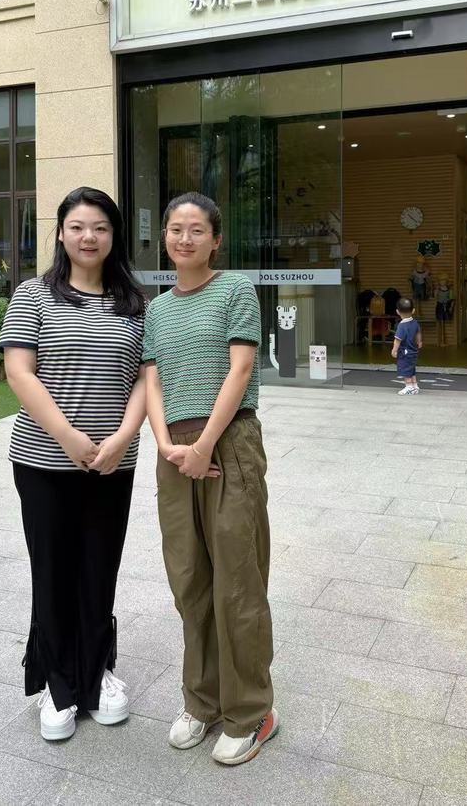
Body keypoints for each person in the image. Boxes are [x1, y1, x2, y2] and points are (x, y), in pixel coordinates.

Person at [0, 186, 146, 742]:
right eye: (78, 227)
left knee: (99, 569)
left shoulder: (134, 301)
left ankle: (97, 674)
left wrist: (123, 437)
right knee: (53, 569)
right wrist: (68, 437)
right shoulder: (34, 295)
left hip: (113, 464)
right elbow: (19, 371)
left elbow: (146, 379)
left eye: (101, 227)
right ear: (60, 233)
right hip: (43, 461)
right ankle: (58, 685)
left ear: (114, 236)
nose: (89, 237)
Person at [143, 191, 278, 766]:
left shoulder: (235, 290)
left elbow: (241, 367)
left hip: (228, 441)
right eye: (176, 229)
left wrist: (203, 447)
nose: (185, 238)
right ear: (165, 238)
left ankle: (251, 712)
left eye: (197, 230)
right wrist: (165, 443)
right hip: (174, 450)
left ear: (215, 240)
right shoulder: (156, 308)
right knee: (189, 578)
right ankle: (201, 702)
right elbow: (151, 379)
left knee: (236, 579)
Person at [392, 296, 422, 395]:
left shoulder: (401, 326)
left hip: (404, 351)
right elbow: (418, 333)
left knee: (405, 369)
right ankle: (415, 385)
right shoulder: (415, 322)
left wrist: (394, 350)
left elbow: (397, 340)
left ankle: (409, 386)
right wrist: (419, 342)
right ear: (413, 310)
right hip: (413, 350)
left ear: (397, 312)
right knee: (411, 368)